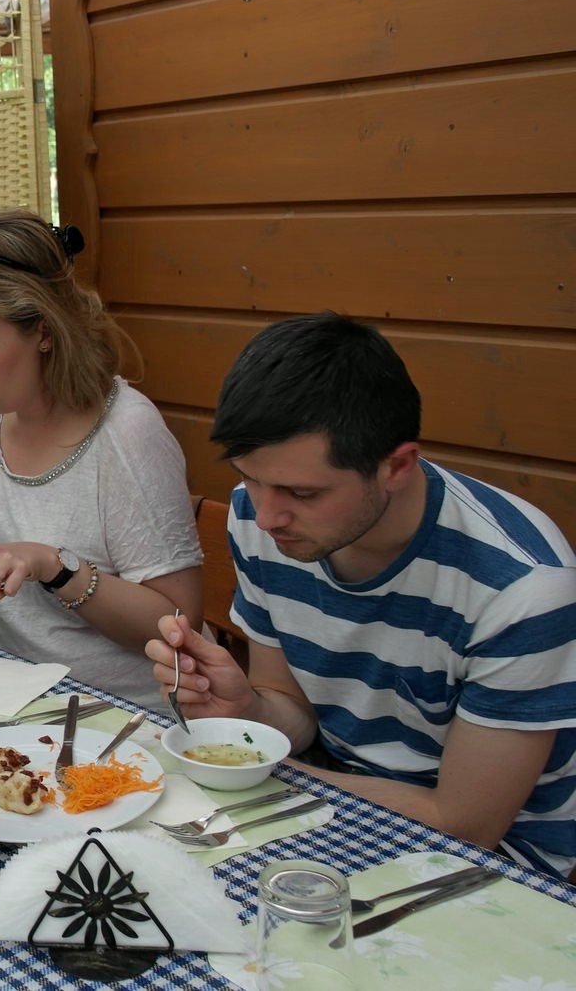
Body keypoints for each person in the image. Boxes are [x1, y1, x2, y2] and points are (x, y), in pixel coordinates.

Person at [149, 312, 576, 880]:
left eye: (303, 492)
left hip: (499, 863)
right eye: (250, 476)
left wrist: (263, 765)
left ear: (396, 466)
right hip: (335, 797)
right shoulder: (260, 518)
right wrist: (248, 713)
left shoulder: (521, 587)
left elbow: (464, 825)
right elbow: (292, 711)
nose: (267, 515)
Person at [0, 208, 203, 710]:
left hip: (117, 716)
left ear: (45, 332)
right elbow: (11, 585)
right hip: (7, 698)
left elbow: (179, 626)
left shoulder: (127, 434)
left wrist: (57, 567)